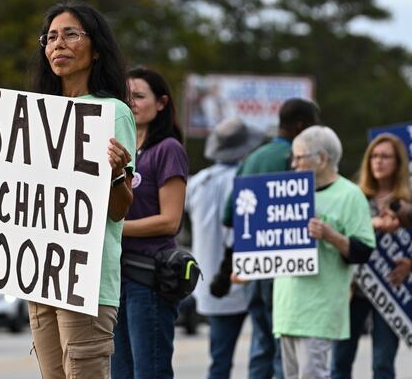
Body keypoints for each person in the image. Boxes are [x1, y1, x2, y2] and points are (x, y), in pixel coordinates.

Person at [0, 2, 136, 379]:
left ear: (96, 49)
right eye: (51, 37)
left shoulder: (112, 112)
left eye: (71, 34)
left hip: (85, 280)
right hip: (40, 277)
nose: (58, 44)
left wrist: (115, 173)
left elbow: (119, 210)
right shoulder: (34, 115)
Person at [222, 98, 320, 379]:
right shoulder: (299, 161)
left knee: (261, 344)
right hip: (287, 271)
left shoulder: (252, 158)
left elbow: (228, 215)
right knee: (283, 347)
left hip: (253, 266)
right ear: (301, 125)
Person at [273, 125, 376, 379]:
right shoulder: (288, 191)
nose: (294, 164)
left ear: (321, 159)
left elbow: (363, 251)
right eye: (293, 158)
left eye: (299, 157)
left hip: (319, 308)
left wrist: (331, 235)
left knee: (313, 374)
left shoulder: (349, 195)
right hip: (287, 308)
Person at [111, 67, 189, 379]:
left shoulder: (167, 149)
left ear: (161, 103)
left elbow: (170, 221)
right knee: (120, 372)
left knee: (149, 372)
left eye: (139, 96)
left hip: (148, 278)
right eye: (126, 97)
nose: (131, 103)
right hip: (115, 278)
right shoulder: (118, 150)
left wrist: (113, 228)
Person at [185, 117, 265, 379]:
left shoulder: (197, 183)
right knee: (261, 354)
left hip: (211, 283)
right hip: (250, 277)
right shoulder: (249, 179)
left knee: (219, 360)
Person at [332, 133, 412, 379]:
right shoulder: (353, 196)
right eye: (374, 156)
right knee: (340, 361)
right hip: (353, 289)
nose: (378, 162)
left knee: (382, 364)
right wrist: (373, 223)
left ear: (398, 163)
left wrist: (410, 264)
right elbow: (338, 233)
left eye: (386, 157)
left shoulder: (407, 201)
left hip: (390, 291)